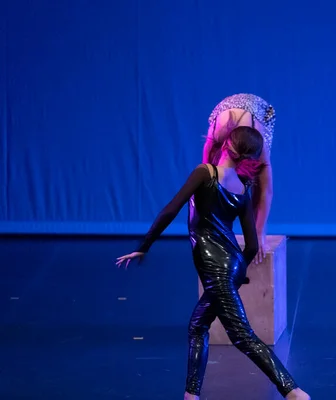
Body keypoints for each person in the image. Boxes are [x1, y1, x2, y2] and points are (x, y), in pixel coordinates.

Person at [115, 126, 310, 400]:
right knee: (197, 325)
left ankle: (293, 391)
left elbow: (171, 209)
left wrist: (143, 247)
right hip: (232, 264)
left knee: (242, 336)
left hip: (214, 266)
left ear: (227, 142)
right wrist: (237, 272)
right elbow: (252, 245)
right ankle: (191, 394)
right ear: (249, 156)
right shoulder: (243, 188)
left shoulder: (204, 173)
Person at [204, 93, 275, 264]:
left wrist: (258, 233)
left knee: (256, 181)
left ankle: (256, 226)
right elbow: (205, 186)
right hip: (224, 110)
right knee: (215, 184)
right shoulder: (215, 137)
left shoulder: (258, 141)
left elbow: (267, 190)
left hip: (260, 111)